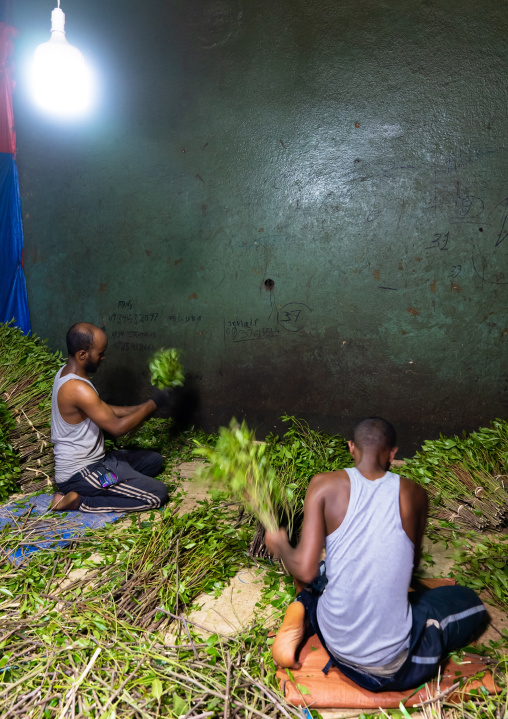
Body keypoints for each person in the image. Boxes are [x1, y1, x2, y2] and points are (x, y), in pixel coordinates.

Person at [265, 417, 486, 692]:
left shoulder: (322, 484)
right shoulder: (414, 493)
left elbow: (304, 570)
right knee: (470, 602)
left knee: (323, 571)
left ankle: (302, 608)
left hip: (334, 637)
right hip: (392, 667)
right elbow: (412, 565)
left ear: (350, 448)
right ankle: (310, 614)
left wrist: (281, 545)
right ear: (393, 453)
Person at [50, 322, 171, 513]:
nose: (103, 357)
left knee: (153, 461)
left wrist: (138, 409)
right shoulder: (77, 388)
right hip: (80, 473)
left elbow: (101, 409)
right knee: (157, 494)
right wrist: (152, 404)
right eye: (100, 353)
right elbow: (118, 428)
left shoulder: (68, 374)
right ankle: (79, 501)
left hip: (100, 461)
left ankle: (117, 481)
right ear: (82, 355)